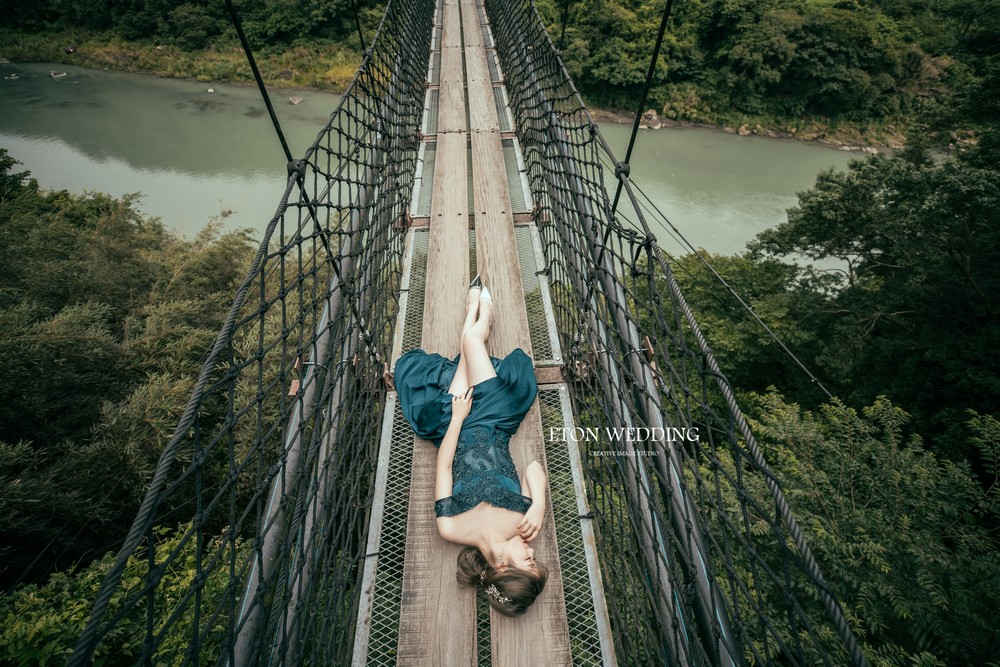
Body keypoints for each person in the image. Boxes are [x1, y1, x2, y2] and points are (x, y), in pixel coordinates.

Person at [394, 275, 549, 616]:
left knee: (465, 351)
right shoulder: (523, 521)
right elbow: (535, 468)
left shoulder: (451, 528)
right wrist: (538, 505)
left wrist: (458, 417)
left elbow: (445, 466)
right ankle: (482, 314)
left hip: (453, 422)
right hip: (496, 417)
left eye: (530, 561)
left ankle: (475, 311)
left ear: (505, 565)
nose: (533, 553)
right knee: (470, 341)